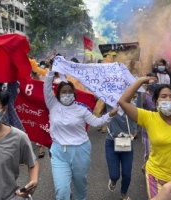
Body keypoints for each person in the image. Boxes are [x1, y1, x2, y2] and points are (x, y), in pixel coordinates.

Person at [44, 70, 118, 200]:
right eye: (64, 92)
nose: (67, 94)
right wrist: (51, 71)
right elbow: (46, 87)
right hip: (59, 152)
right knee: (62, 191)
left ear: (74, 94)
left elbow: (96, 122)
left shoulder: (82, 109)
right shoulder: (53, 105)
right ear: (58, 94)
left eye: (69, 92)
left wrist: (110, 115)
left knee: (80, 186)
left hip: (81, 151)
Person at [105, 105, 137, 200]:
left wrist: (135, 130)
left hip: (127, 142)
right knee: (114, 175)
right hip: (111, 141)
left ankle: (123, 194)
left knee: (127, 174)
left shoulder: (131, 104)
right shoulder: (109, 102)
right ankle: (113, 180)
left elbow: (138, 114)